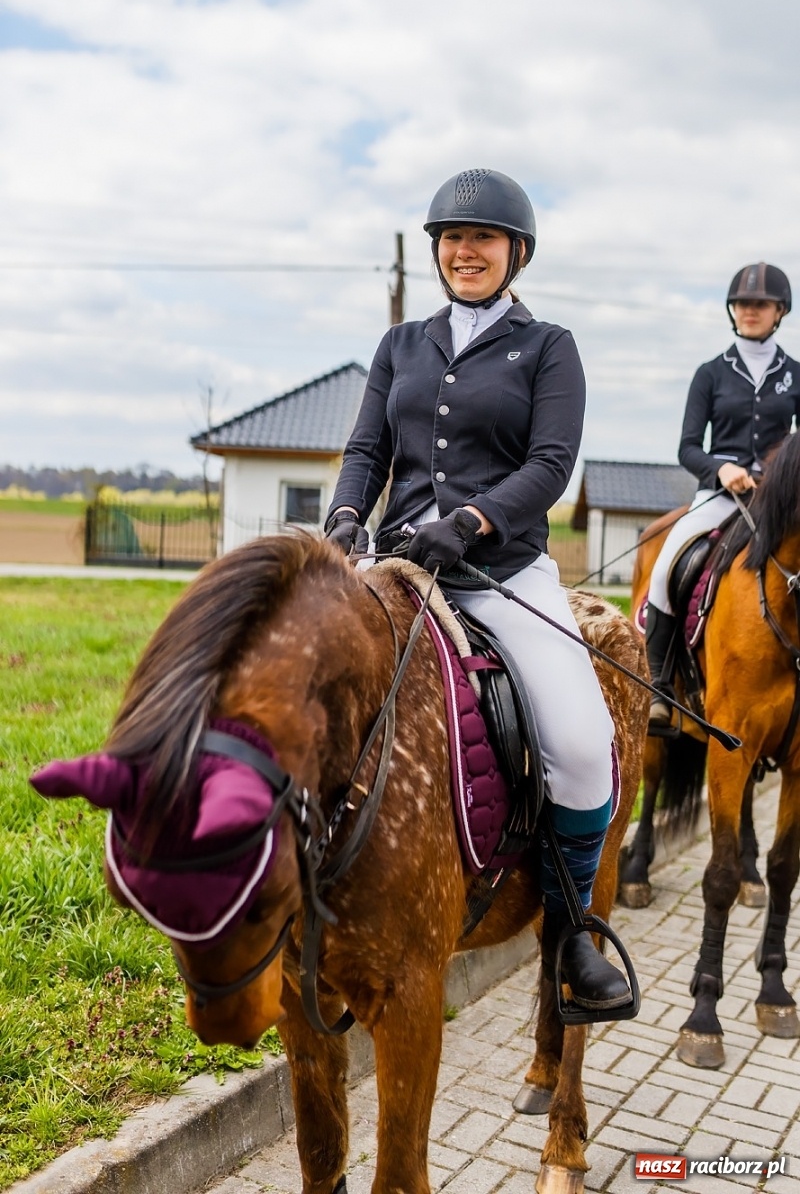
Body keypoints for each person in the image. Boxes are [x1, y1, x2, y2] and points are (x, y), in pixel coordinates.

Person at [324, 168, 631, 1014]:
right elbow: (365, 452)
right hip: (396, 571)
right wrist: (347, 516)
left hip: (499, 574)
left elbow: (550, 467)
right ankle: (318, 913)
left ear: (515, 253)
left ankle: (573, 933)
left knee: (578, 741)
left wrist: (470, 524)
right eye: (453, 240)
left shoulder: (549, 347)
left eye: (483, 240)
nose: (465, 251)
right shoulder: (401, 346)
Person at [646, 262, 799, 732]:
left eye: (761, 304)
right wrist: (721, 468)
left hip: (776, 500)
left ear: (779, 312)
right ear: (733, 311)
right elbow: (688, 446)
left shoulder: (795, 374)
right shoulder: (710, 373)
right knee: (667, 563)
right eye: (743, 304)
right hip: (720, 495)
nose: (751, 311)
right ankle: (660, 685)